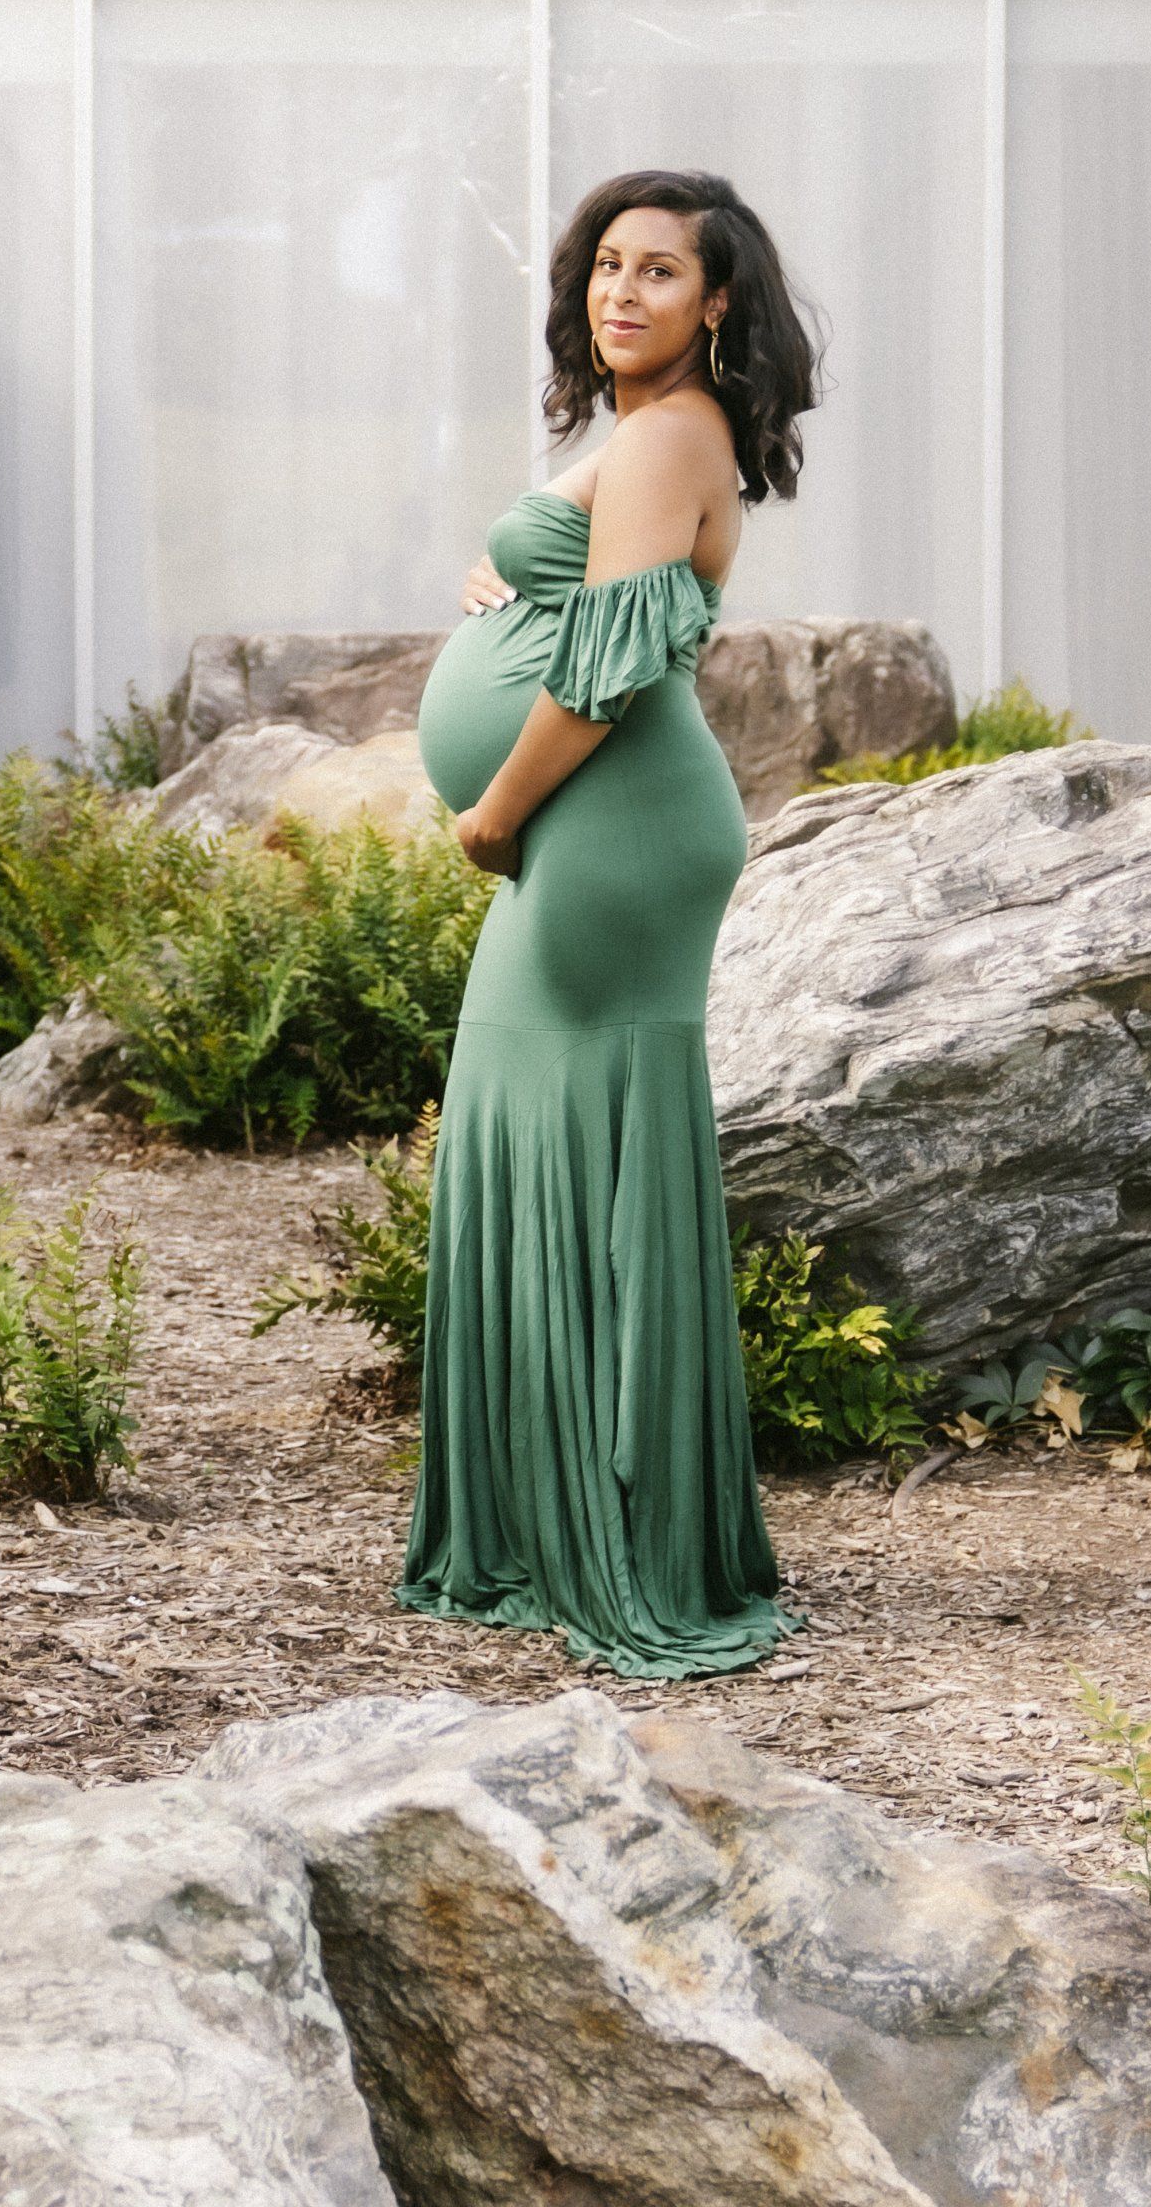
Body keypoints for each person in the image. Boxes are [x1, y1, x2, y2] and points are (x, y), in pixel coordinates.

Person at [397, 166, 823, 1678]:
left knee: (567, 1152)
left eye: (659, 272)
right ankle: (556, 1527)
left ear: (718, 303)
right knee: (537, 1143)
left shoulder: (668, 439)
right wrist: (506, 587)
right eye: (605, 268)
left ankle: (612, 1545)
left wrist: (496, 811)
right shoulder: (650, 439)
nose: (621, 292)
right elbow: (580, 610)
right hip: (608, 825)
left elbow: (609, 672)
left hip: (607, 826)